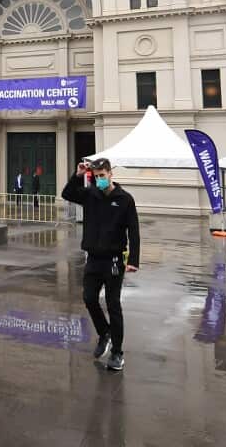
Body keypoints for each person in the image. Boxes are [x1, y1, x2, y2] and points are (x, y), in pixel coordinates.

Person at [61, 157, 140, 372]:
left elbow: (133, 230)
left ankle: (117, 353)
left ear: (110, 174)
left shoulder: (124, 199)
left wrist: (133, 260)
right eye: (96, 177)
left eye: (102, 176)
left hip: (114, 260)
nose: (99, 180)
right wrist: (77, 176)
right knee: (89, 298)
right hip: (94, 258)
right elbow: (67, 193)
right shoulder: (91, 194)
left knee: (113, 305)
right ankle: (104, 333)